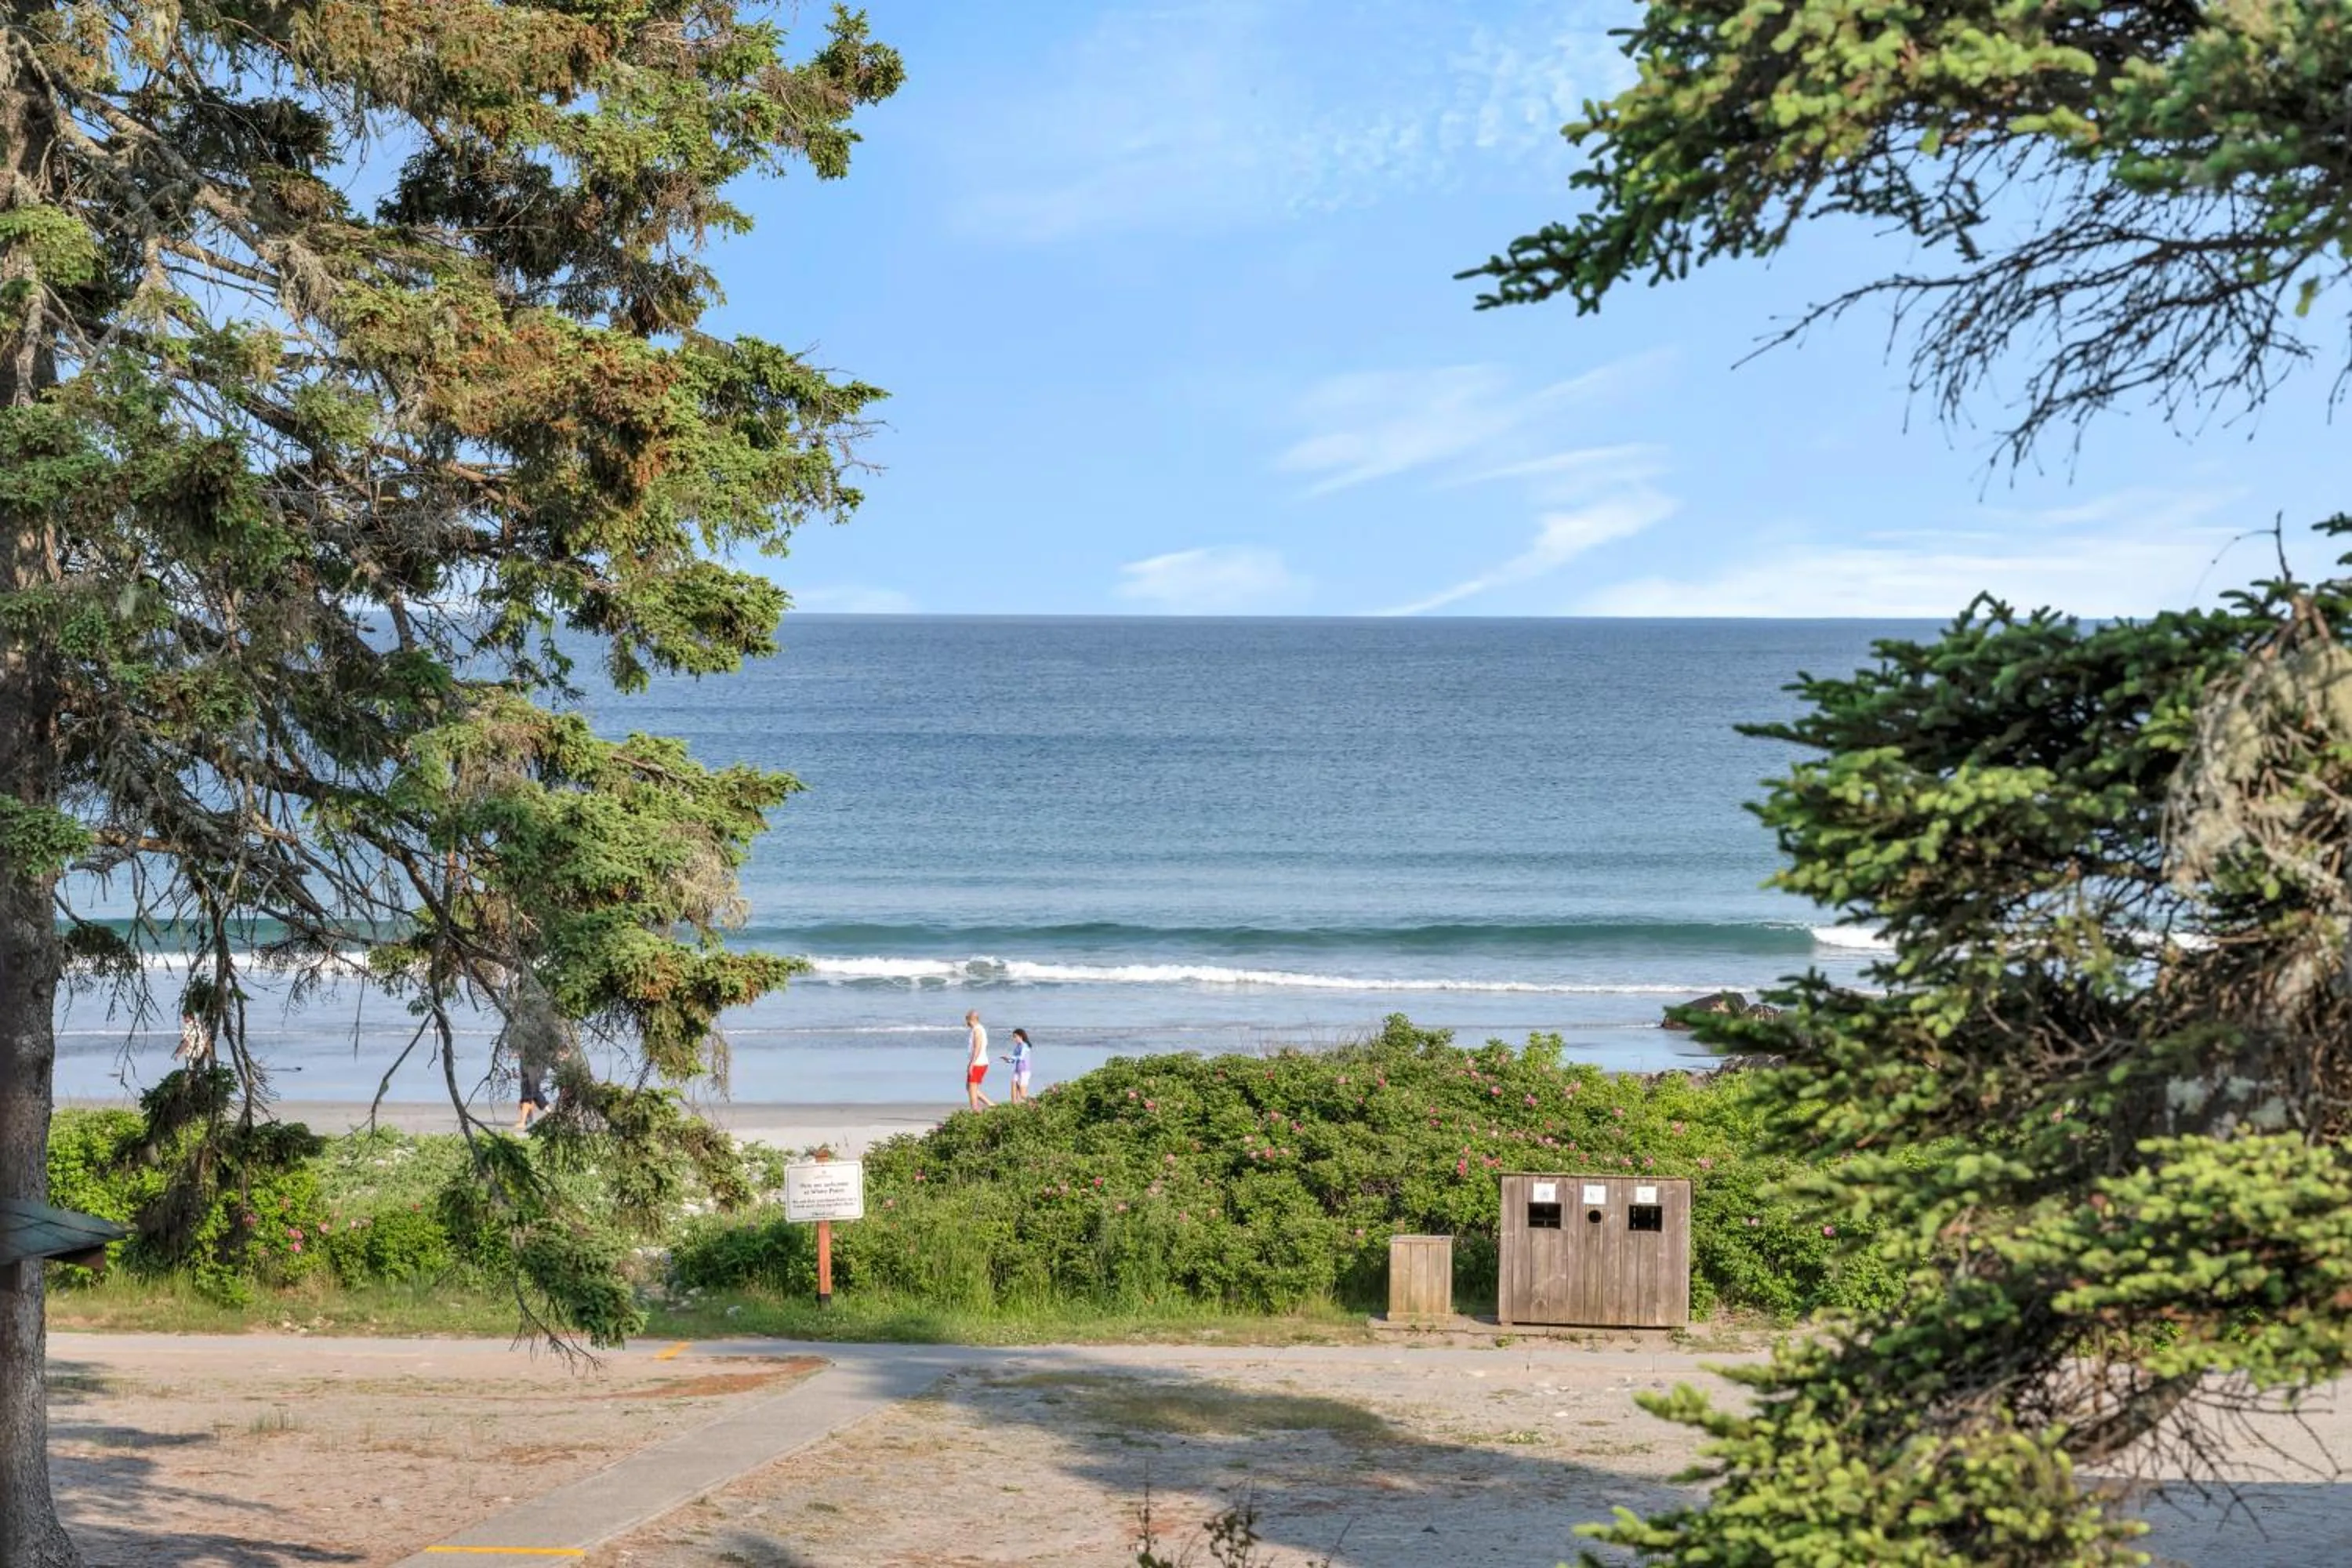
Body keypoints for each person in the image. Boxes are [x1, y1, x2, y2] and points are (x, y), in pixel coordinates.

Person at [964, 1009, 993, 1111]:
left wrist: (972, 1063)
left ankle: (975, 1111)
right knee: (970, 1087)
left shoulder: (977, 1030)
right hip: (979, 1062)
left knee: (972, 1089)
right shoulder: (978, 1029)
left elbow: (978, 1047)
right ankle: (991, 1105)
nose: (966, 1023)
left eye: (966, 1020)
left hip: (978, 1063)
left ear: (969, 1020)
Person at [1001, 1027, 1034, 1104]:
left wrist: (1010, 1057)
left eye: (1015, 1037)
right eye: (1013, 1037)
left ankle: (1034, 1102)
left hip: (1024, 1072)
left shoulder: (1025, 1046)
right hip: (1017, 1071)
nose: (1014, 1039)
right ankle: (1014, 1106)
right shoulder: (1017, 1047)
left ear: (1021, 1036)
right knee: (1013, 1087)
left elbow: (1021, 1058)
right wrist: (1007, 1060)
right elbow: (1013, 1060)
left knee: (1022, 1094)